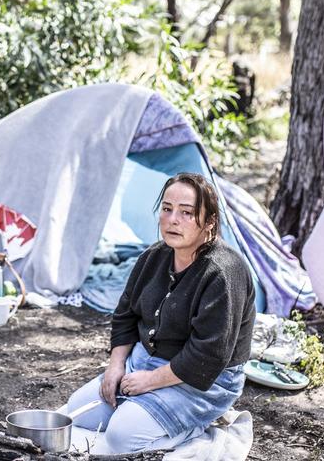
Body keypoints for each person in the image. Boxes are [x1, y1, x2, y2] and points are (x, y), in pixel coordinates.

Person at [67, 172, 256, 453]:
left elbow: (209, 355)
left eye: (187, 213)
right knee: (77, 412)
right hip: (144, 363)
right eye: (167, 209)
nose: (173, 219)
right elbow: (125, 315)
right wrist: (116, 365)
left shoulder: (222, 273)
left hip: (202, 382)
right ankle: (143, 412)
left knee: (121, 437)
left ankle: (195, 428)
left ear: (210, 222)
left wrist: (150, 381)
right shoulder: (153, 257)